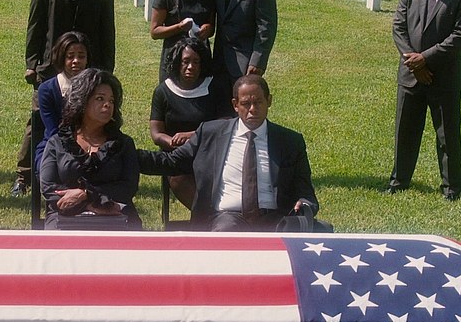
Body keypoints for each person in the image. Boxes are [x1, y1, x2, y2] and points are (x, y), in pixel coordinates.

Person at [139, 75, 327, 232]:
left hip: (275, 218)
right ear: (235, 105)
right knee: (225, 232)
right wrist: (129, 154)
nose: (252, 109)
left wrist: (305, 204)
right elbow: (170, 162)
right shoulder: (211, 133)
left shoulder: (290, 141)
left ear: (269, 101)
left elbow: (305, 191)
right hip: (227, 217)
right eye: (246, 104)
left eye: (258, 102)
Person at [14, 0, 115, 197]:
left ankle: (89, 171)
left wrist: (106, 71)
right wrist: (31, 63)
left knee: (88, 120)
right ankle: (24, 175)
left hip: (88, 70)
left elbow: (107, 33)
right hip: (50, 69)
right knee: (38, 123)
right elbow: (35, 27)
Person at [386, 0, 461, 201]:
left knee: (447, 135)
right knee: (405, 132)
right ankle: (399, 180)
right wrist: (415, 64)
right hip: (410, 76)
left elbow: (460, 36)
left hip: (443, 77)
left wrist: (425, 58)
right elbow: (399, 28)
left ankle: (451, 187)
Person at [39, 68, 141, 230]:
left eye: (112, 101)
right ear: (82, 101)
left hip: (114, 214)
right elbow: (49, 188)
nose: (108, 105)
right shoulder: (57, 143)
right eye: (100, 99)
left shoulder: (123, 143)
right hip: (66, 215)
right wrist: (89, 205)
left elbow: (128, 188)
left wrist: (87, 194)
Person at [149, 38, 233, 208]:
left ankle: (217, 213)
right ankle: (208, 215)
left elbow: (226, 123)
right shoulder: (163, 91)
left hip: (211, 151)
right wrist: (172, 142)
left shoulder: (214, 87)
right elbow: (156, 133)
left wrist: (193, 136)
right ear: (177, 62)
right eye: (185, 61)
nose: (190, 67)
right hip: (177, 154)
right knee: (178, 178)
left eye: (196, 62)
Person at [150, 0, 215, 82]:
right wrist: (179, 27)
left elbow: (211, 26)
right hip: (174, 57)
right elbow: (155, 32)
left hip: (200, 59)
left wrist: (208, 28)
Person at [34, 31, 90, 172]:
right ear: (61, 58)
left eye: (81, 56)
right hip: (55, 146)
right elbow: (53, 130)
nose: (76, 61)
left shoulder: (96, 87)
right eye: (70, 56)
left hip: (92, 144)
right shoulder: (47, 90)